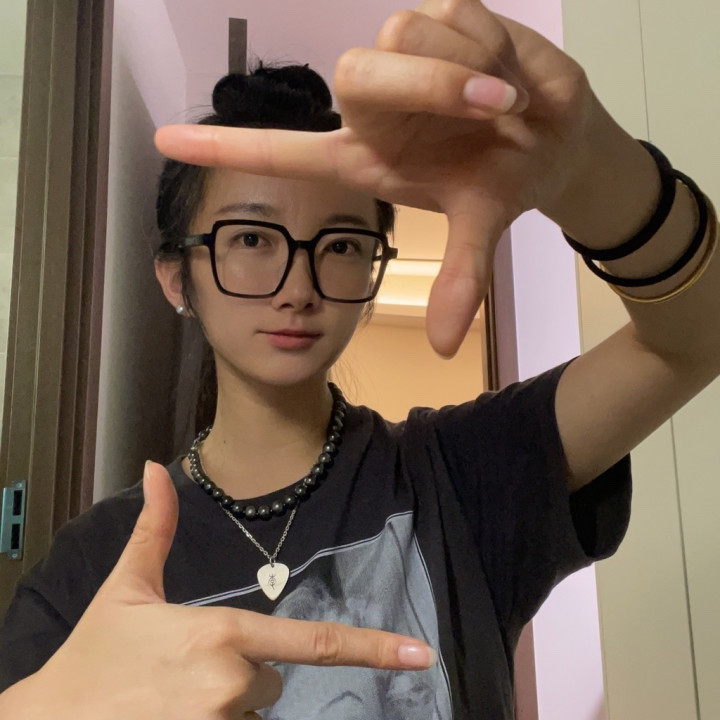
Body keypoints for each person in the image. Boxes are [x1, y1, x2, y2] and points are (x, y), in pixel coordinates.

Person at [1, 1, 718, 718]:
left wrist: (595, 174)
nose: (298, 287)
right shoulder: (90, 568)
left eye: (341, 245)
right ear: (174, 277)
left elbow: (693, 337)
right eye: (251, 239)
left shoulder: (463, 473)